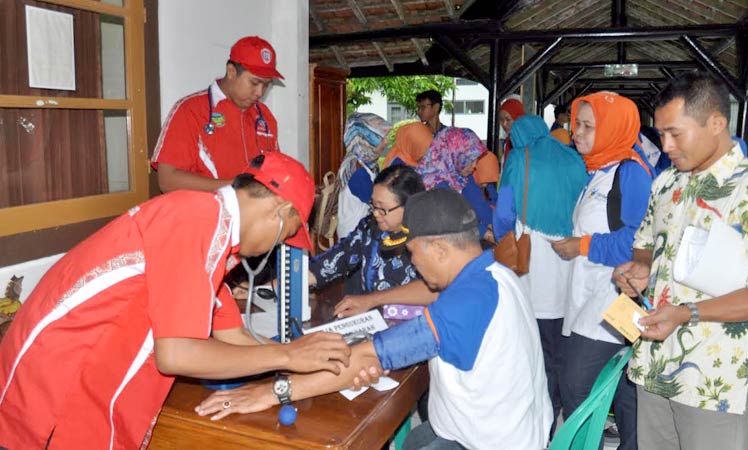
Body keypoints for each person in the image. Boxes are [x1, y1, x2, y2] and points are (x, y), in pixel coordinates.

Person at [0, 153, 354, 449]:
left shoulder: (211, 234)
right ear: (281, 210)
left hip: (75, 395)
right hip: (50, 405)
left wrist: (300, 364)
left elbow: (235, 336)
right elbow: (176, 354)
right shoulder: (198, 219)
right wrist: (289, 355)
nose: (278, 247)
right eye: (288, 235)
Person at [196, 188, 553, 450]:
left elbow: (367, 357)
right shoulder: (490, 271)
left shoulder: (464, 305)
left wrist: (272, 392)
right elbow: (427, 297)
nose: (413, 265)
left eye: (414, 254)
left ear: (440, 249)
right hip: (496, 427)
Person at [614, 73, 748, 450]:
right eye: (660, 133)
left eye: (675, 133)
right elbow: (646, 243)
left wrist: (687, 313)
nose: (664, 145)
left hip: (715, 382)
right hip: (653, 367)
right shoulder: (666, 185)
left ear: (716, 124)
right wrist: (640, 268)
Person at [551, 91, 653, 450]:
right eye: (576, 123)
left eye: (588, 126)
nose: (576, 132)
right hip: (593, 293)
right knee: (623, 387)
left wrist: (580, 246)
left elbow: (640, 243)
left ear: (613, 129)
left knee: (575, 382)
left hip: (615, 296)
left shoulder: (631, 174)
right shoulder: (598, 170)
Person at [494, 114, 588, 438]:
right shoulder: (574, 158)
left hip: (531, 259)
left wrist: (499, 235)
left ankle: (539, 419)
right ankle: (559, 409)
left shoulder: (519, 157)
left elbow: (504, 211)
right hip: (569, 256)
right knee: (560, 339)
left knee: (532, 342)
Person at [151, 36, 282, 193]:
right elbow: (167, 180)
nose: (260, 92)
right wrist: (235, 187)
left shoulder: (265, 117)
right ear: (231, 72)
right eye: (254, 83)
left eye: (266, 85)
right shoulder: (190, 110)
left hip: (254, 216)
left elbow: (275, 172)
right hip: (206, 214)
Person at [309, 165, 437, 319]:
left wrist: (371, 300)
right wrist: (290, 281)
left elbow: (435, 289)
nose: (376, 214)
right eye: (373, 206)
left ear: (410, 206)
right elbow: (339, 257)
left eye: (382, 209)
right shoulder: (370, 228)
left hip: (415, 327)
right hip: (372, 323)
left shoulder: (431, 237)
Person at [415, 127, 494, 239]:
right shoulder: (432, 181)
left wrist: (494, 225)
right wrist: (486, 233)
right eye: (470, 160)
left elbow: (479, 204)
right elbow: (455, 213)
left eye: (476, 160)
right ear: (454, 154)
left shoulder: (460, 174)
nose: (474, 165)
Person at [337, 113, 393, 238]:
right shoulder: (355, 168)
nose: (385, 143)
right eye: (380, 138)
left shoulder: (369, 163)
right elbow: (377, 201)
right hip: (353, 234)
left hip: (365, 228)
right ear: (367, 140)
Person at [499, 97, 526, 162]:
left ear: (518, 118)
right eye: (502, 120)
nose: (504, 124)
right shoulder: (507, 142)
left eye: (508, 119)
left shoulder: (527, 143)